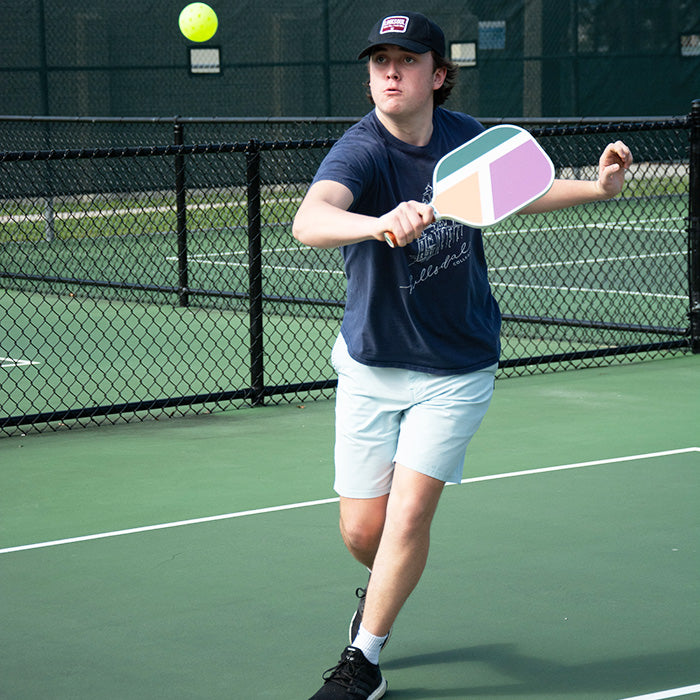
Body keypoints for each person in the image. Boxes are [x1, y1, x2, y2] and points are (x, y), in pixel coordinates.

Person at [293, 11, 632, 700]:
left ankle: (363, 659)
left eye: (408, 59)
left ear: (438, 75)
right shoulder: (361, 152)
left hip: (457, 364)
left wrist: (598, 188)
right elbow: (310, 219)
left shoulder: (465, 140)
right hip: (372, 361)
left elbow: (521, 193)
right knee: (366, 532)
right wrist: (378, 221)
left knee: (411, 516)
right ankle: (381, 588)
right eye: (380, 60)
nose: (391, 71)